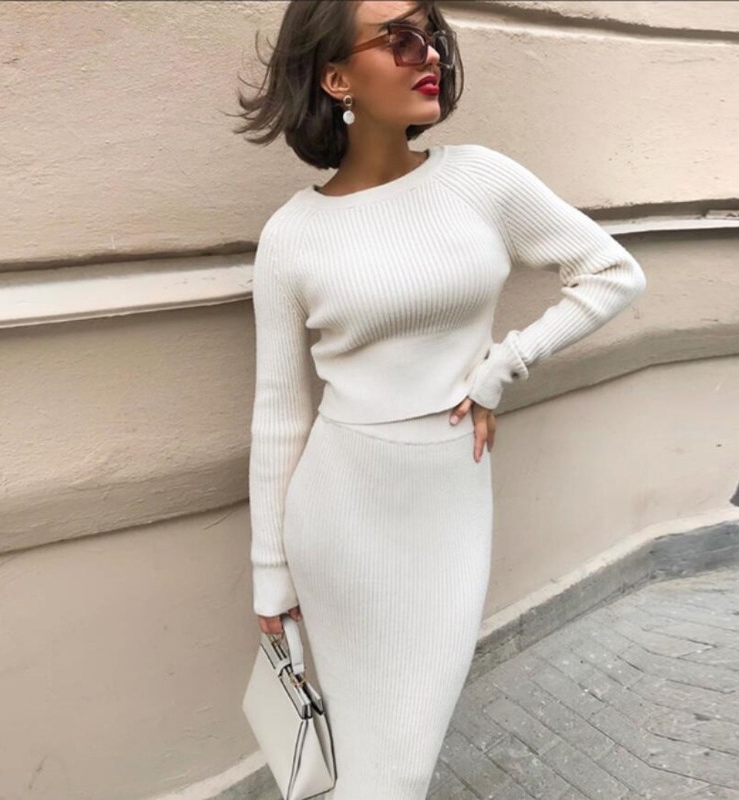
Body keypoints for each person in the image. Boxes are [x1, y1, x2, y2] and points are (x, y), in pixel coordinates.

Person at [232, 1, 647, 797]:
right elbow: (279, 413)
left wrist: (503, 366)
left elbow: (612, 273)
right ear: (336, 78)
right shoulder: (291, 234)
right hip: (338, 510)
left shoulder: (480, 179)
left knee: (401, 756)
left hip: (448, 502)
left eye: (432, 35)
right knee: (369, 762)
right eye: (399, 38)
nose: (428, 54)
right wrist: (269, 578)